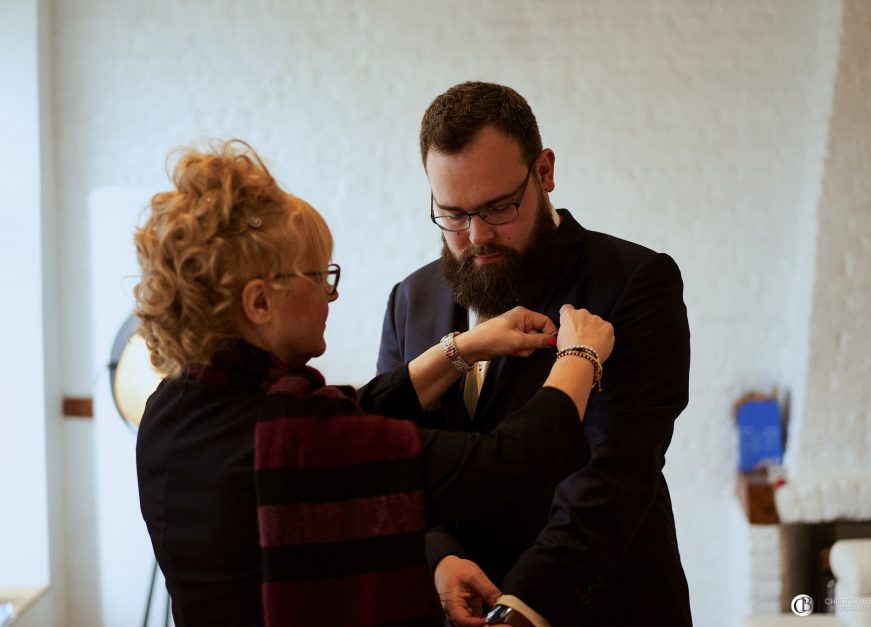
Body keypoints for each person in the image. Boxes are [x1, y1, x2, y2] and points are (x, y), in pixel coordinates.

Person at [133, 139, 615, 627]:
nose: (330, 294)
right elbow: (510, 464)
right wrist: (579, 356)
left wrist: (464, 348)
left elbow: (358, 417)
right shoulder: (302, 437)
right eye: (319, 275)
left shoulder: (171, 408)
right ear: (259, 303)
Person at [377, 81, 692, 627]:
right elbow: (393, 460)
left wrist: (519, 609)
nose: (476, 236)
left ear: (544, 173)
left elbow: (615, 474)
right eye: (451, 214)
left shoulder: (634, 281)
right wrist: (438, 557)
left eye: (498, 208)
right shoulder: (410, 299)